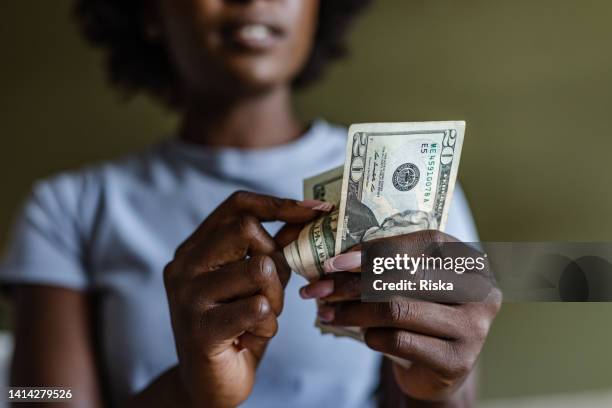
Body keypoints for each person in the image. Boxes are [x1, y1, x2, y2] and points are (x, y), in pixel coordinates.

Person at [0, 1, 501, 407]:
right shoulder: (67, 209)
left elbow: (431, 389)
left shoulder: (414, 193)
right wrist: (188, 391)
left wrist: (438, 392)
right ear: (150, 12)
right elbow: (37, 395)